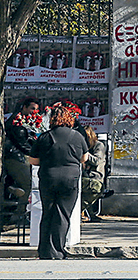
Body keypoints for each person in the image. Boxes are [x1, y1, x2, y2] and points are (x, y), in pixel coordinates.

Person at [28, 104, 88, 259]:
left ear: (51, 120)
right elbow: (84, 158)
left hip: (48, 177)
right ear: (69, 119)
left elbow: (33, 160)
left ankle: (45, 251)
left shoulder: (45, 137)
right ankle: (58, 250)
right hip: (70, 179)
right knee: (63, 214)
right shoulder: (77, 137)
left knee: (47, 212)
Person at [3, 97, 42, 219]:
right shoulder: (17, 122)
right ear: (24, 107)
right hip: (16, 157)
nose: (34, 112)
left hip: (21, 156)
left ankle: (13, 195)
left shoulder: (28, 121)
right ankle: (18, 214)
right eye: (32, 108)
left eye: (36, 109)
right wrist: (37, 153)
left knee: (28, 184)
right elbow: (22, 144)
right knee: (28, 184)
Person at [79, 126, 107, 223]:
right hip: (83, 175)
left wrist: (85, 154)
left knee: (94, 188)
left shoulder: (98, 145)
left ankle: (80, 210)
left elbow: (96, 161)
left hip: (94, 176)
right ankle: (87, 213)